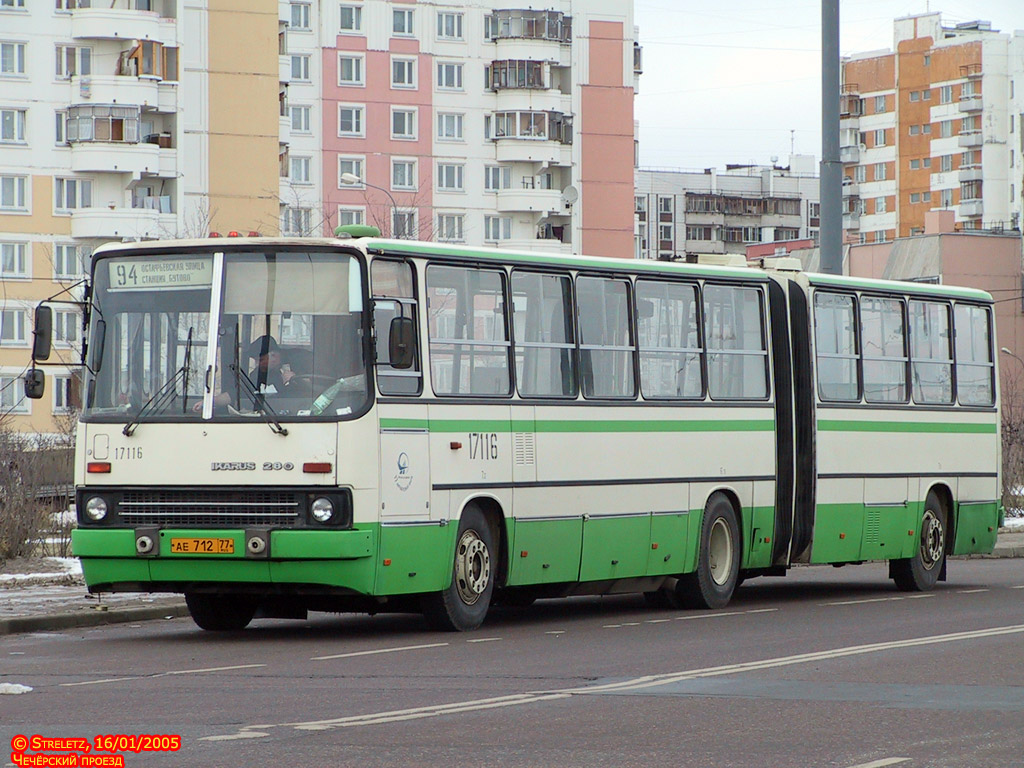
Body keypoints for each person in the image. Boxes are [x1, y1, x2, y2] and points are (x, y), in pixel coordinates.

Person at [193, 334, 296, 411]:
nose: (257, 364)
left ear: (273, 356)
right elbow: (236, 393)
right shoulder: (257, 375)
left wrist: (297, 380)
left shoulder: (298, 363)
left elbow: (310, 390)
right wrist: (209, 402)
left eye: (260, 360)